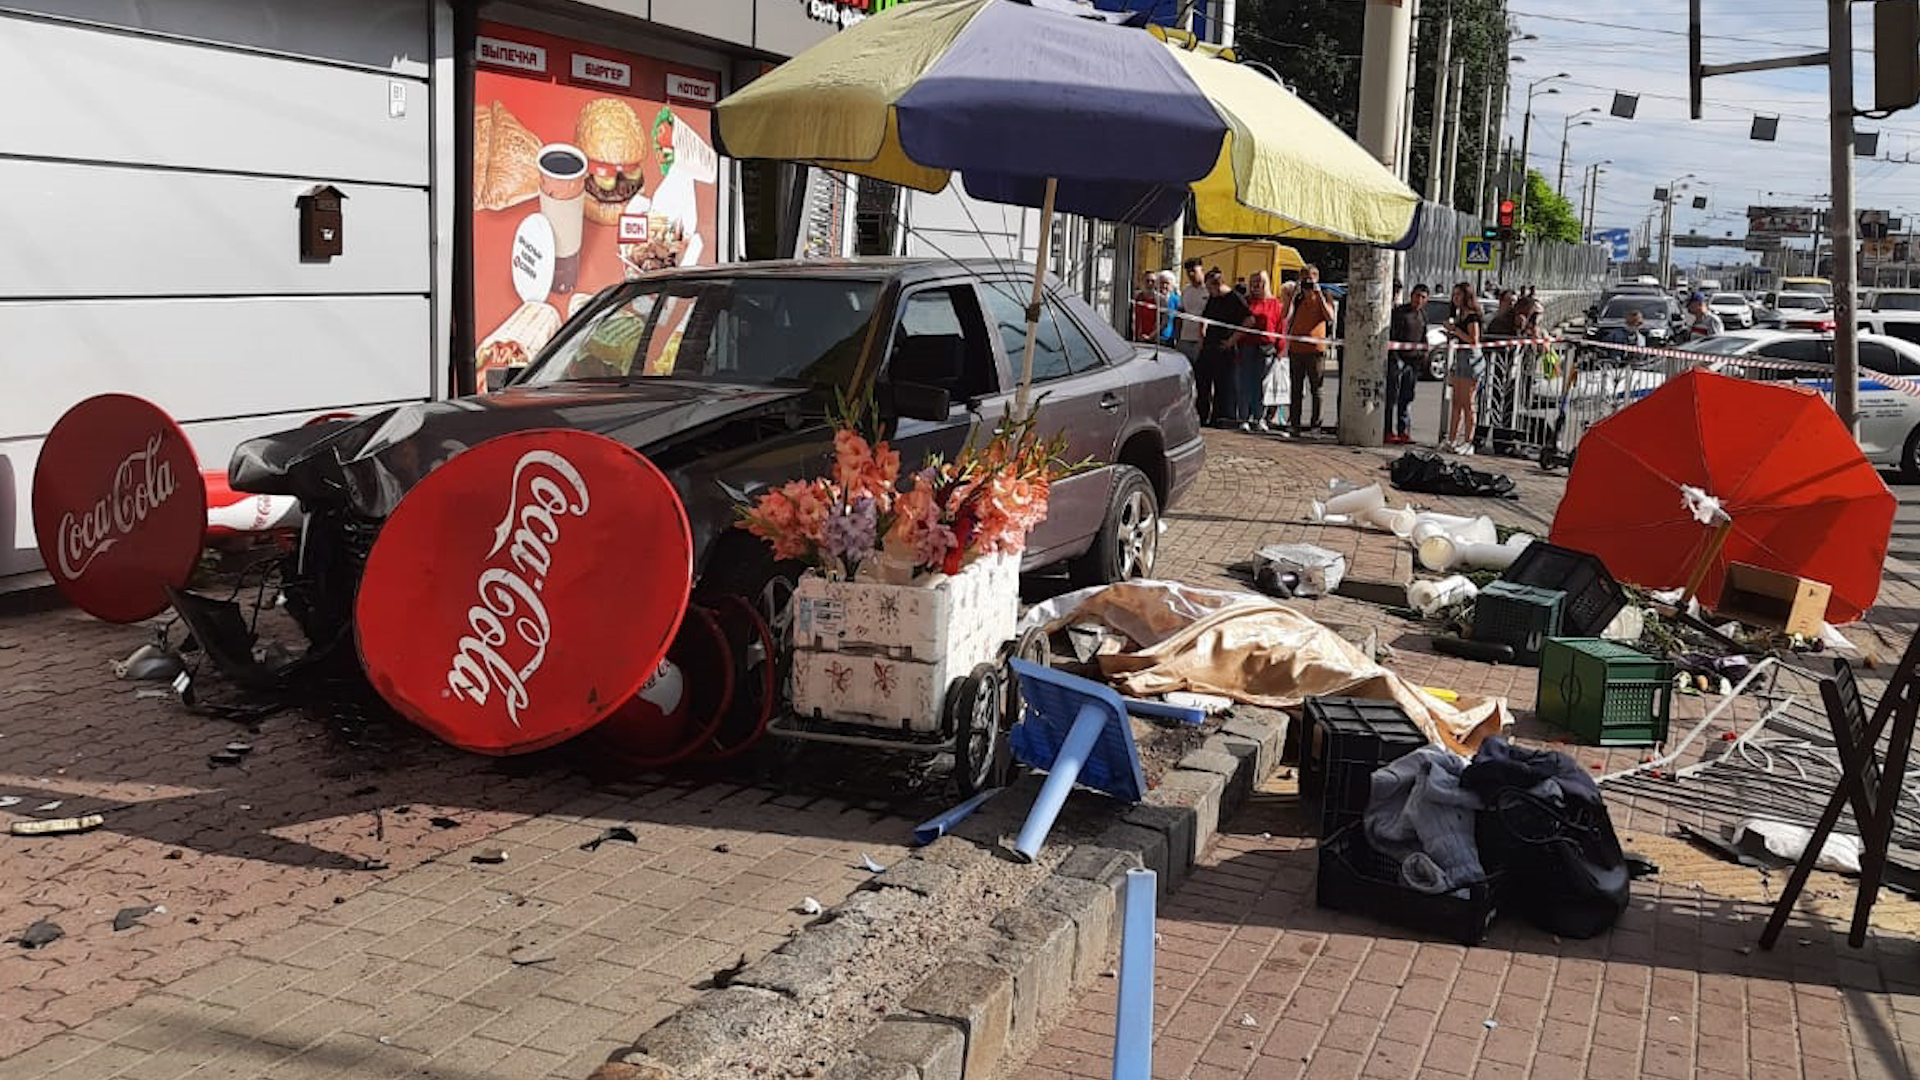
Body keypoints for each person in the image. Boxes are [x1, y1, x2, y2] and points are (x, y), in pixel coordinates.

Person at [1284, 263, 1337, 436]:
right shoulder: (1298, 297)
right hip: (1297, 348)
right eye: (1304, 277)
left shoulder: (1325, 295)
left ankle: (1316, 425)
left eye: (1310, 277)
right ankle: (1295, 424)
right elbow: (1286, 316)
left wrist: (1318, 293)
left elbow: (1330, 317)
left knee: (1317, 389)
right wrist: (1293, 296)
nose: (1307, 281)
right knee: (1296, 389)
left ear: (1317, 278)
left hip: (1316, 349)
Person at [1197, 268, 1250, 426]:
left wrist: (1232, 341)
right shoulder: (1213, 299)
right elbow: (1205, 318)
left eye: (1209, 288)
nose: (1208, 291)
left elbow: (1249, 321)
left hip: (1225, 347)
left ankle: (1221, 418)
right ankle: (1202, 415)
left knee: (1223, 385)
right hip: (1209, 346)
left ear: (1217, 284)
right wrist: (1202, 337)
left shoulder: (1235, 298)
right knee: (1202, 382)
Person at [1234, 270, 1284, 432]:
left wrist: (1280, 349)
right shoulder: (1245, 302)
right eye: (1253, 281)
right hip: (1247, 346)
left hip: (1267, 348)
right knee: (1245, 383)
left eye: (1260, 281)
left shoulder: (1275, 303)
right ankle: (1243, 418)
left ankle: (1260, 418)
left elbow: (1280, 327)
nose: (1256, 285)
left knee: (1262, 385)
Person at [1443, 281, 1484, 453]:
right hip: (1460, 358)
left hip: (1471, 360)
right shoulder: (1459, 314)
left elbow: (1474, 340)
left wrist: (1455, 330)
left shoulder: (1471, 316)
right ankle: (1451, 439)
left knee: (1468, 403)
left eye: (1458, 295)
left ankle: (1468, 442)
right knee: (1456, 402)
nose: (1455, 298)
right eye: (1454, 295)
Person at [1387, 282, 1429, 445]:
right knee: (1392, 397)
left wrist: (1423, 354)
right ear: (1411, 295)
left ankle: (1403, 431)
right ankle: (1388, 431)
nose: (1419, 300)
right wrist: (1396, 357)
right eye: (1416, 296)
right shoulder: (1399, 313)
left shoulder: (1423, 316)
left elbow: (1423, 338)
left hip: (1413, 363)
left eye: (1423, 297)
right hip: (1398, 360)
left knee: (1407, 397)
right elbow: (1392, 336)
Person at [1174, 257, 1207, 367]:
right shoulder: (1186, 290)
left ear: (1202, 270)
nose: (1191, 275)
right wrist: (1177, 337)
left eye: (1194, 271)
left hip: (1201, 341)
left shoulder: (1209, 290)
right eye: (1189, 272)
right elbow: (1180, 314)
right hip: (1185, 338)